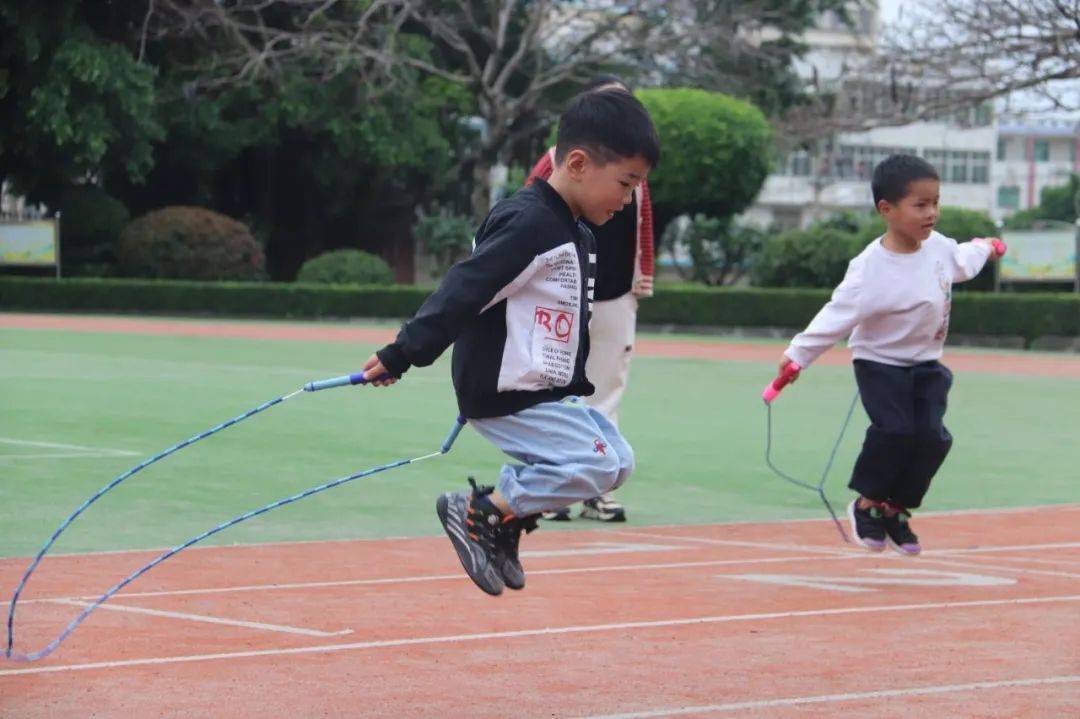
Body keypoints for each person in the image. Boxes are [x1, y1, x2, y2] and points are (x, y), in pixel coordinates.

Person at [360, 89, 661, 595]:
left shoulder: (578, 233)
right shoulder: (529, 223)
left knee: (619, 460)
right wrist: (404, 352)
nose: (628, 200)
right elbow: (465, 288)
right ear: (580, 163)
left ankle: (505, 518)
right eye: (626, 183)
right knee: (598, 463)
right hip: (504, 391)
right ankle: (482, 511)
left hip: (543, 392)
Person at [778, 154, 1004, 555]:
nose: (931, 213)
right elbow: (836, 315)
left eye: (935, 202)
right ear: (887, 209)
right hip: (879, 363)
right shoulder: (869, 269)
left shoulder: (938, 248)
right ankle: (866, 504)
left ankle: (895, 509)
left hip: (927, 364)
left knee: (933, 438)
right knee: (895, 431)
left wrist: (987, 246)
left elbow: (965, 258)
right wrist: (797, 357)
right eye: (920, 205)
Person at [524, 76, 655, 523]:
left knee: (607, 387)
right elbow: (527, 216)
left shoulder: (634, 174)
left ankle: (597, 487)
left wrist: (643, 279)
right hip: (561, 293)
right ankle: (553, 484)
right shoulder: (557, 162)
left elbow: (642, 228)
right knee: (553, 388)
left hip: (615, 292)